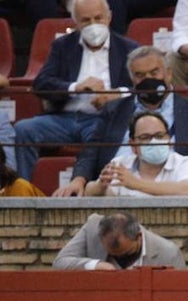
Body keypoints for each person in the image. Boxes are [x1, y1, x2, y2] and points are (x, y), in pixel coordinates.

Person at [57, 45, 188, 197]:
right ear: (132, 79)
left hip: (174, 192)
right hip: (117, 193)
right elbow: (91, 150)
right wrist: (79, 179)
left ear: (168, 73)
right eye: (140, 75)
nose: (148, 79)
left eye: (154, 73)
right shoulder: (114, 110)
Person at [13, 0, 138, 180]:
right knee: (23, 130)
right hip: (64, 119)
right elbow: (41, 83)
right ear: (76, 22)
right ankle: (23, 189)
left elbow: (140, 88)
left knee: (103, 138)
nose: (93, 25)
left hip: (102, 120)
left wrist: (116, 94)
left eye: (98, 18)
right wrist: (75, 87)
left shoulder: (128, 48)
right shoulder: (63, 46)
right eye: (86, 20)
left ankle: (95, 190)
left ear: (109, 17)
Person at [83, 112, 188, 196]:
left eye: (159, 136)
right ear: (133, 145)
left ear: (169, 139)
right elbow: (90, 192)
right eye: (145, 137)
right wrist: (100, 186)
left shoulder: (185, 162)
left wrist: (135, 183)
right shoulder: (120, 163)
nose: (154, 142)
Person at [53, 211, 186, 270]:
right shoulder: (92, 228)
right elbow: (60, 263)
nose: (119, 259)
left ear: (138, 237)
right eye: (112, 255)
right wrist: (95, 265)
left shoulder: (168, 253)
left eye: (126, 254)